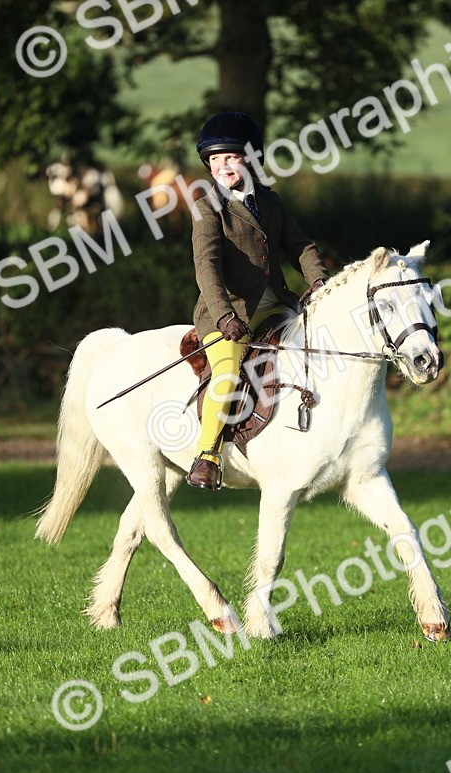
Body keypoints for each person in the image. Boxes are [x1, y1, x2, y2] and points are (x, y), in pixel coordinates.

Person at [186, 111, 329, 490]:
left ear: (250, 158)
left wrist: (318, 279)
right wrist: (223, 317)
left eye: (229, 158)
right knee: (228, 372)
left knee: (316, 346)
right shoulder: (207, 209)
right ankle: (208, 454)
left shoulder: (270, 202)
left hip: (276, 304)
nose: (222, 166)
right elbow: (207, 269)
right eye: (214, 161)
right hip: (229, 313)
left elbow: (299, 244)